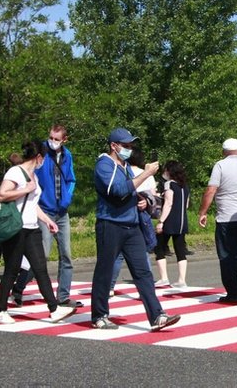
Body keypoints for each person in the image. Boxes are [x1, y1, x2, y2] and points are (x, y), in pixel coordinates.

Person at [90, 128, 180, 331]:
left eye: (131, 145)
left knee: (143, 272)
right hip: (110, 223)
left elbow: (131, 190)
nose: (130, 149)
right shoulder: (104, 164)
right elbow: (118, 190)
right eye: (126, 145)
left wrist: (144, 201)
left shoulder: (124, 166)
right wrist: (147, 173)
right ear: (114, 146)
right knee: (105, 270)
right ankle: (99, 315)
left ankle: (157, 316)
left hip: (131, 225)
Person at [0, 141, 77, 324]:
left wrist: (47, 221)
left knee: (40, 268)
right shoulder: (15, 172)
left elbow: (33, 203)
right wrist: (25, 189)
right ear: (39, 157)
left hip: (32, 228)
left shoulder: (33, 175)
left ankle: (54, 309)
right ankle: (0, 310)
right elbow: (2, 194)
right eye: (44, 157)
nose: (44, 161)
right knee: (12, 270)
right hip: (16, 228)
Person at [12, 125, 79, 308]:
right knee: (42, 254)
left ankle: (63, 296)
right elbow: (30, 172)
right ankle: (18, 288)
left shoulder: (67, 155)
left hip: (62, 210)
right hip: (45, 210)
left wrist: (67, 198)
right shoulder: (41, 152)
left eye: (57, 139)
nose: (52, 141)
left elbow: (71, 179)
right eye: (51, 137)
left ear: (64, 139)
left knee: (66, 255)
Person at [197, 138, 237, 302]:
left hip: (226, 216)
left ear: (224, 151)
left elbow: (211, 190)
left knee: (226, 255)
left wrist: (203, 212)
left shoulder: (221, 165)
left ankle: (232, 292)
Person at [111, 147, 158, 294]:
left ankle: (109, 286)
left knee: (117, 254)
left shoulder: (121, 170)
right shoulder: (147, 174)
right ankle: (147, 288)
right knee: (142, 251)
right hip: (142, 215)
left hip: (122, 214)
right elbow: (154, 196)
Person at [154, 160, 191, 288]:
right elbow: (186, 205)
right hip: (182, 221)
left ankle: (164, 277)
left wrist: (161, 221)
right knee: (180, 249)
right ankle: (182, 280)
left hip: (170, 220)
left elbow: (168, 204)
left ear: (169, 171)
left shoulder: (169, 184)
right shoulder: (185, 186)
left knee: (159, 247)